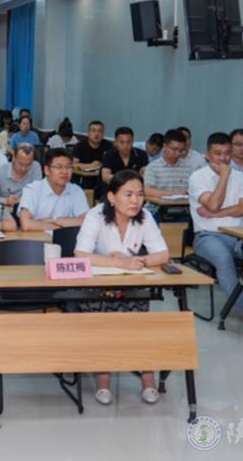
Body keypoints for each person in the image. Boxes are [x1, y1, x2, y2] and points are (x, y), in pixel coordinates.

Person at [73, 170, 171, 405]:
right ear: (111, 196)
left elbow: (163, 255)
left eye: (140, 194)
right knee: (105, 321)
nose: (135, 201)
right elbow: (81, 255)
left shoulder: (145, 217)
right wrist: (118, 263)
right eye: (128, 194)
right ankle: (103, 379)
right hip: (97, 286)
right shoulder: (96, 215)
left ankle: (148, 379)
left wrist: (137, 261)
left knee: (140, 323)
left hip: (130, 283)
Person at [188, 132, 243, 333]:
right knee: (224, 259)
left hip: (239, 233)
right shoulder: (197, 178)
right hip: (207, 235)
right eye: (218, 153)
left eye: (227, 153)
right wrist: (224, 177)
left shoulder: (241, 177)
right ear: (208, 154)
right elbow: (213, 203)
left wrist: (214, 213)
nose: (223, 158)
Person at [18, 149, 89, 231]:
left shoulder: (76, 191)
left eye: (68, 167)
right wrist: (59, 227)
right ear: (46, 170)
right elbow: (26, 224)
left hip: (66, 238)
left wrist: (53, 220)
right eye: (59, 167)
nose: (64, 171)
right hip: (38, 238)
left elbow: (86, 221)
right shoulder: (32, 190)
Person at [143, 130, 198, 202]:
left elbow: (195, 189)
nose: (178, 153)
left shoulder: (189, 167)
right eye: (174, 149)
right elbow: (148, 190)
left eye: (181, 150)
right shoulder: (152, 167)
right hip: (157, 207)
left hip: (182, 207)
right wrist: (176, 194)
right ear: (164, 146)